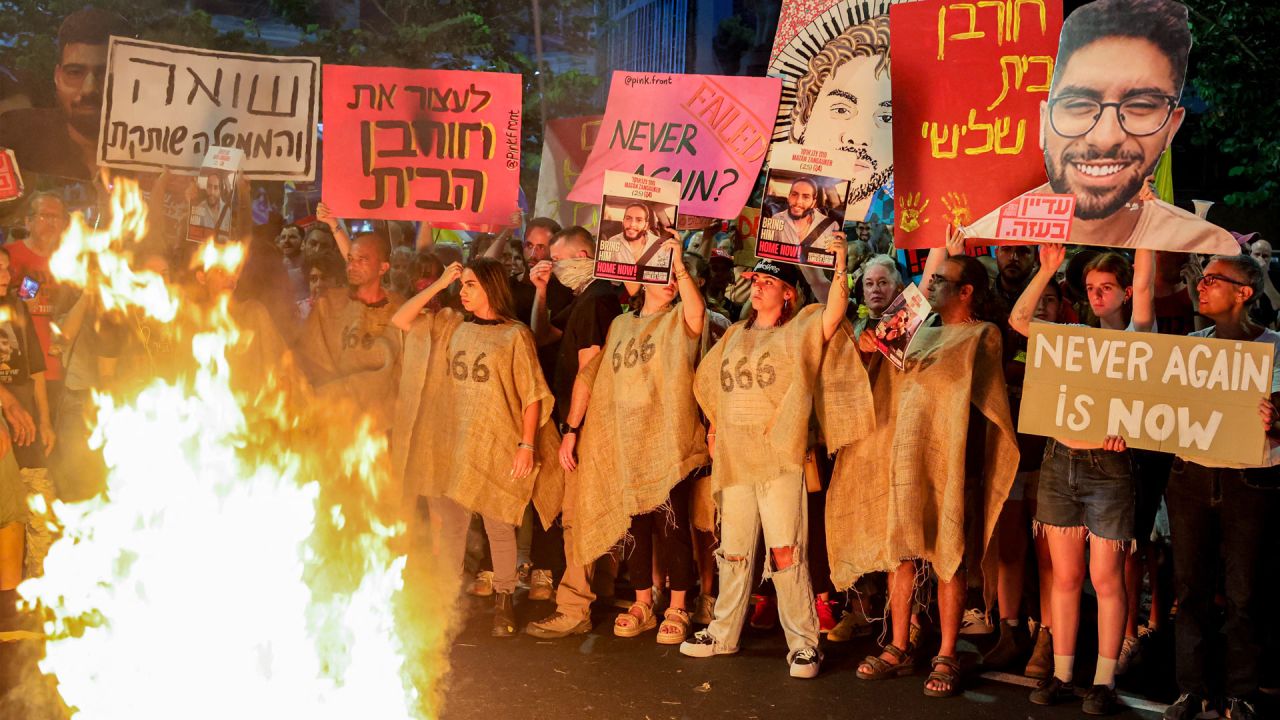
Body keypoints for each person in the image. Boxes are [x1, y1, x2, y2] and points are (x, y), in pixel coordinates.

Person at [836, 251, 1017, 699]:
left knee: (947, 553)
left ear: (966, 290)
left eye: (939, 280)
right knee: (902, 553)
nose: (928, 286)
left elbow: (986, 403)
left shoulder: (983, 335)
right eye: (928, 280)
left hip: (952, 463)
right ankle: (899, 644)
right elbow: (867, 343)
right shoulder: (916, 333)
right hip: (903, 460)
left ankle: (948, 652)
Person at [680, 237, 858, 680]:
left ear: (789, 293)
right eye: (754, 280)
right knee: (734, 551)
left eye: (767, 281)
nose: (757, 288)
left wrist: (840, 262)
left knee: (785, 551)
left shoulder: (801, 330)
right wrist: (716, 428)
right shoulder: (736, 333)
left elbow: (835, 310)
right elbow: (712, 386)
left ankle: (804, 644)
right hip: (737, 458)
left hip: (780, 458)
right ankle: (723, 633)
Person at [960, 0, 1234, 254]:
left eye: (1139, 106)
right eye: (1079, 105)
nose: (1105, 138)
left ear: (1171, 128)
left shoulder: (1200, 243)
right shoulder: (984, 231)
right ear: (1044, 122)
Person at [1008, 245, 1155, 715]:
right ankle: (1064, 675)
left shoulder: (1137, 335)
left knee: (1105, 578)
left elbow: (1149, 288)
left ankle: (1104, 681)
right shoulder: (1071, 335)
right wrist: (1048, 268)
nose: (1096, 296)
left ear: (1126, 292)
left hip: (1108, 470)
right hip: (1060, 460)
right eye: (1091, 288)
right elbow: (1019, 320)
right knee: (1066, 576)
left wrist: (1145, 231)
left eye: (1106, 288)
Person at [390, 257, 560, 638]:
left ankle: (503, 601)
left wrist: (526, 444)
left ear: (491, 288)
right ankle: (447, 602)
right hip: (456, 442)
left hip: (499, 442)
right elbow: (402, 320)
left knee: (499, 524)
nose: (463, 292)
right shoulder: (456, 328)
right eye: (462, 285)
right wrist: (440, 284)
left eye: (470, 285)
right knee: (452, 525)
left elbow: (532, 394)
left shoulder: (515, 335)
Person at [557, 239, 708, 645]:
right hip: (625, 442)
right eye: (660, 274)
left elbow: (697, 313)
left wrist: (678, 263)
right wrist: (573, 431)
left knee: (672, 526)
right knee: (635, 528)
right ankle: (643, 602)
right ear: (640, 281)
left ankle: (678, 605)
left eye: (671, 276)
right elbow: (592, 377)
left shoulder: (680, 319)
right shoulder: (621, 325)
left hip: (667, 442)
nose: (670, 283)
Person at [1161, 254, 1277, 720]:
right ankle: (1192, 690)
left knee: (1244, 593)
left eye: (1212, 279)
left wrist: (1277, 420)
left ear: (1244, 292)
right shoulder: (1192, 345)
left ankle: (1241, 693)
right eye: (1200, 278)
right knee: (1189, 589)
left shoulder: (1275, 348)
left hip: (1251, 480)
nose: (1201, 287)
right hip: (1191, 476)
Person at [524, 227, 624, 636]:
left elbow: (591, 369)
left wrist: (573, 428)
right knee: (583, 513)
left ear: (583, 255)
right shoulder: (587, 298)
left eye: (560, 261)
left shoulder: (598, 300)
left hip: (587, 426)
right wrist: (543, 292)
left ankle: (573, 607)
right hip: (582, 423)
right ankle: (596, 588)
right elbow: (542, 335)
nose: (556, 268)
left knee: (578, 519)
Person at [0, 8, 133, 181]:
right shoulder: (13, 137)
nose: (89, 89)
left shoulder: (163, 152)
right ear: (57, 76)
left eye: (106, 74)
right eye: (75, 72)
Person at [786, 13, 893, 223]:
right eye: (842, 110)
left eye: (887, 118)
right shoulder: (770, 197)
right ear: (803, 119)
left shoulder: (904, 216)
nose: (860, 137)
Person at [293, 231, 402, 433]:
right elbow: (310, 357)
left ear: (383, 268)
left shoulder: (399, 309)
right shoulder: (328, 305)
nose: (352, 266)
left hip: (378, 426)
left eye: (363, 260)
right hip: (330, 419)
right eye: (350, 259)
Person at [766, 178, 843, 262]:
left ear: (813, 202)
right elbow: (767, 257)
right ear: (788, 197)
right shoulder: (776, 219)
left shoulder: (831, 226)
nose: (798, 202)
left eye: (806, 197)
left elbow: (833, 262)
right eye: (794, 194)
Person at [596, 203, 670, 269]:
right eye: (628, 218)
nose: (632, 224)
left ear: (646, 225)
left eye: (639, 220)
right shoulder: (613, 241)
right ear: (623, 221)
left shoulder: (661, 245)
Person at [277, 223, 308, 302]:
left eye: (292, 237)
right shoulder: (276, 267)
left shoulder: (311, 264)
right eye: (283, 237)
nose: (286, 241)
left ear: (302, 240)